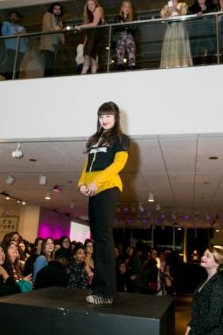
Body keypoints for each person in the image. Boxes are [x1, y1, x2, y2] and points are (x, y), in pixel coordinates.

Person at [78, 101, 129, 304]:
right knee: (98, 238)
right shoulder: (94, 139)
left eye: (108, 115)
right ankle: (99, 289)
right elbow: (86, 165)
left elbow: (118, 164)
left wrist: (96, 182)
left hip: (107, 188)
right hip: (93, 190)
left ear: (116, 117)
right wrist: (82, 182)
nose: (104, 119)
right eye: (101, 116)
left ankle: (105, 293)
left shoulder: (121, 139)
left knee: (104, 238)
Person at [185, 246, 223, 335]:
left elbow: (213, 318)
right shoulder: (207, 280)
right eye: (203, 255)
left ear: (218, 262)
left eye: (208, 256)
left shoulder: (219, 283)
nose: (202, 257)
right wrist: (190, 326)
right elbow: (199, 310)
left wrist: (193, 332)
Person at [160, 0, 193, 68]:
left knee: (180, 47)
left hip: (180, 29)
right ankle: (169, 65)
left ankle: (182, 64)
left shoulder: (183, 4)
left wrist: (175, 9)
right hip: (170, 29)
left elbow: (183, 14)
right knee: (170, 47)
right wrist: (168, 12)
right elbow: (163, 19)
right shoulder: (166, 7)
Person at [187, 0, 217, 66]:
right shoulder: (192, 8)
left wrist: (203, 13)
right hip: (196, 35)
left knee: (211, 50)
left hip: (209, 34)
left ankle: (209, 67)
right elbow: (188, 15)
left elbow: (215, 12)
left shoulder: (212, 6)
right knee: (196, 55)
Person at [77, 0, 105, 74]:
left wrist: (81, 26)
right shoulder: (89, 15)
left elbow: (95, 24)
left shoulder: (98, 9)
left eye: (92, 3)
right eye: (88, 4)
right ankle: (92, 73)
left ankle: (83, 73)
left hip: (95, 35)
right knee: (91, 56)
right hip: (92, 36)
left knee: (87, 54)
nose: (90, 6)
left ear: (95, 4)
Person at [39, 2, 65, 77]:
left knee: (53, 65)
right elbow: (48, 27)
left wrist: (63, 40)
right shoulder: (48, 14)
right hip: (47, 44)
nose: (57, 10)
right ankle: (47, 80)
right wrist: (56, 28)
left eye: (59, 9)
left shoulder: (59, 19)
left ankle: (50, 79)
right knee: (49, 65)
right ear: (52, 9)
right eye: (55, 9)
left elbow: (61, 32)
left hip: (55, 45)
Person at [1, 11, 28, 80]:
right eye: (12, 16)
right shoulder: (6, 24)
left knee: (17, 65)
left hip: (21, 50)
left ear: (18, 18)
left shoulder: (22, 28)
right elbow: (4, 34)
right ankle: (8, 79)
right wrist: (14, 34)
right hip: (11, 48)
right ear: (9, 17)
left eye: (15, 16)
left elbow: (26, 40)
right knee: (10, 65)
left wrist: (22, 34)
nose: (13, 17)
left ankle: (15, 78)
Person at [115, 0, 136, 70]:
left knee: (131, 51)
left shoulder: (132, 18)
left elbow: (134, 29)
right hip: (121, 37)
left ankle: (132, 66)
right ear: (122, 8)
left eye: (129, 7)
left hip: (129, 37)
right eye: (125, 6)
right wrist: (128, 26)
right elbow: (118, 27)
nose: (127, 8)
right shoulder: (118, 17)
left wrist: (125, 26)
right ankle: (120, 66)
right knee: (120, 52)